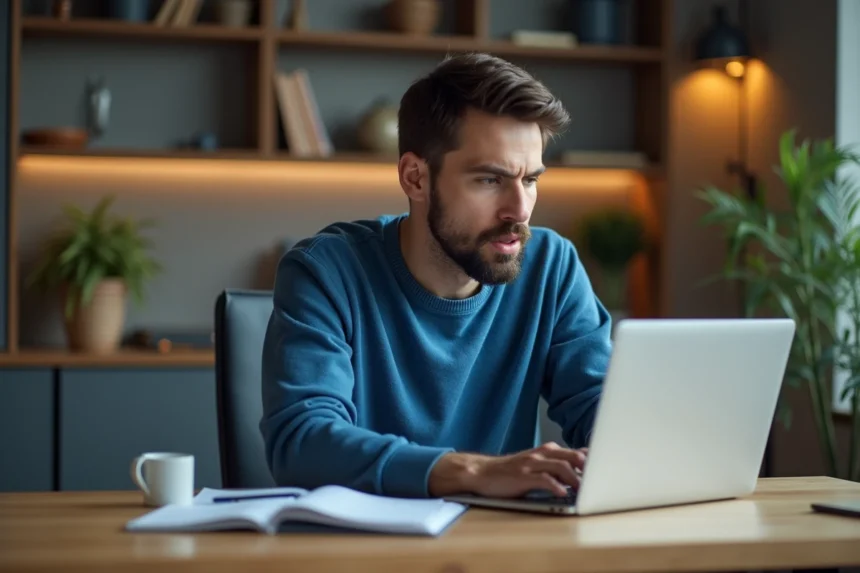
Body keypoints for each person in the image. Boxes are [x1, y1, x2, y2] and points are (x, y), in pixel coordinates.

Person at [260, 52, 612, 500]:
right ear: (415, 178)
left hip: (507, 548)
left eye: (530, 180)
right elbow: (302, 442)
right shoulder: (326, 272)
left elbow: (603, 410)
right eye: (490, 180)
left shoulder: (551, 266)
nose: (519, 210)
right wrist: (475, 472)